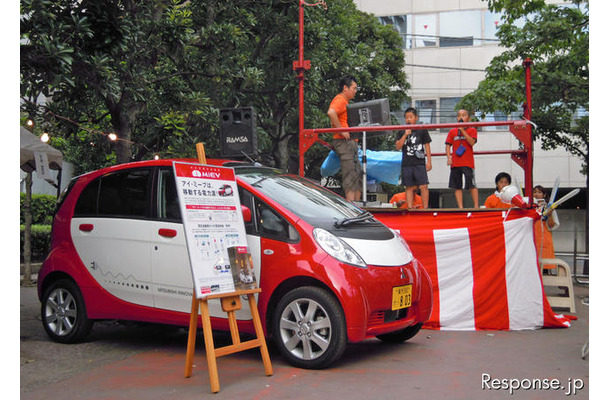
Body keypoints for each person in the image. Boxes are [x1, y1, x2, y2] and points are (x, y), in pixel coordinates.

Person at [327, 75, 362, 202]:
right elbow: (331, 112)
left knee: (357, 172)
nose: (355, 91)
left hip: (349, 142)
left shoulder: (345, 101)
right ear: (345, 88)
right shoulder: (340, 99)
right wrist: (341, 130)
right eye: (354, 88)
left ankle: (356, 205)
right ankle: (352, 205)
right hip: (343, 141)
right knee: (350, 173)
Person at [395, 107, 432, 208]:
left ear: (416, 117)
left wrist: (429, 161)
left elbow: (427, 145)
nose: (408, 120)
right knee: (409, 186)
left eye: (411, 117)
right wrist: (405, 135)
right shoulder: (401, 130)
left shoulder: (422, 129)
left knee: (424, 185)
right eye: (407, 118)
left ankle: (425, 208)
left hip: (419, 162)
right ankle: (410, 208)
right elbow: (398, 146)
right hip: (407, 162)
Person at [445, 109, 479, 208]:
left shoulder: (472, 130)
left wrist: (463, 131)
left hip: (467, 162)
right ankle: (460, 207)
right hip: (455, 163)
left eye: (464, 115)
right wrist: (449, 158)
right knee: (457, 186)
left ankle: (476, 206)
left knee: (471, 184)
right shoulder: (452, 131)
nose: (461, 117)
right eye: (459, 115)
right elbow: (448, 145)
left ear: (468, 118)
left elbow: (472, 142)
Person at [533, 185, 560, 270]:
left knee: (544, 268)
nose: (536, 194)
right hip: (531, 240)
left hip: (544, 241)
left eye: (539, 192)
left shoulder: (548, 208)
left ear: (544, 195)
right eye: (534, 192)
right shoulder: (529, 208)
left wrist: (550, 215)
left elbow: (552, 226)